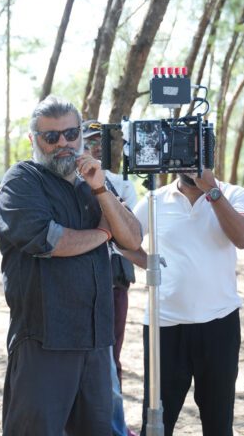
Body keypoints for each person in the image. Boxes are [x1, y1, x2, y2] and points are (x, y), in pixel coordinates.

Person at [0, 96, 142, 435]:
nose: (63, 143)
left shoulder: (95, 181)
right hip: (44, 340)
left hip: (96, 340)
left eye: (71, 134)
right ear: (33, 140)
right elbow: (51, 241)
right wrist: (103, 233)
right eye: (51, 137)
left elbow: (132, 238)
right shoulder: (21, 181)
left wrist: (101, 189)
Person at [122, 169, 244, 436]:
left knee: (218, 424)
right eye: (181, 153)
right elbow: (123, 239)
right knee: (156, 424)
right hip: (164, 325)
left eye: (195, 152)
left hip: (220, 324)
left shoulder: (232, 194)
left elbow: (243, 238)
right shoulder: (154, 199)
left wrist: (212, 192)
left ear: (210, 152)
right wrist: (150, 263)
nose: (188, 161)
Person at [82, 119, 139, 436]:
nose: (94, 148)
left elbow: (126, 231)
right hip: (81, 277)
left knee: (111, 355)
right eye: (88, 142)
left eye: (98, 142)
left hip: (114, 278)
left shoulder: (121, 184)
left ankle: (116, 426)